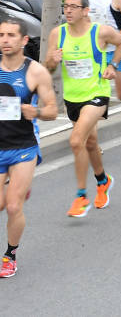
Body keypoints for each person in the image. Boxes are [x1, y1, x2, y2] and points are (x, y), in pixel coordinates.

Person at [45, 0, 121, 217]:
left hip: (97, 94)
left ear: (85, 11)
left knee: (75, 140)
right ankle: (103, 180)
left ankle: (81, 196)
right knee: (90, 143)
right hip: (72, 98)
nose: (68, 10)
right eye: (66, 6)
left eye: (73, 7)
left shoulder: (99, 32)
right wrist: (52, 60)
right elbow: (48, 68)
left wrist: (114, 65)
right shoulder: (57, 34)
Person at [0, 19, 56, 278]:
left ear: (24, 40)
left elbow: (53, 111)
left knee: (13, 206)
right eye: (1, 35)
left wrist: (36, 112)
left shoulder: (35, 72)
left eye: (11, 35)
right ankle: (18, 186)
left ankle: (10, 254)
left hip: (23, 146)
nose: (5, 40)